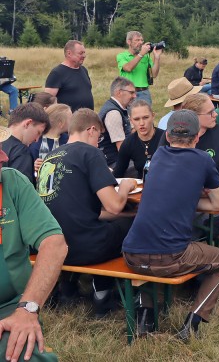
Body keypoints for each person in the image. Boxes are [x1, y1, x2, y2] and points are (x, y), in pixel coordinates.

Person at [122, 110, 219, 340]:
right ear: (197, 137)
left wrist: (184, 197)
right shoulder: (203, 159)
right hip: (171, 256)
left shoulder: (158, 156)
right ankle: (192, 324)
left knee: (153, 253)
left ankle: (145, 318)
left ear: (168, 136)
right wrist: (190, 199)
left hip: (131, 254)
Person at [38, 108, 138, 317]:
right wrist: (124, 188)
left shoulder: (50, 157)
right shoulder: (90, 153)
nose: (98, 143)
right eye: (99, 137)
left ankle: (68, 288)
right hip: (86, 247)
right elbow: (114, 206)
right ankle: (106, 293)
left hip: (51, 246)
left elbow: (80, 211)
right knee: (133, 226)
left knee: (118, 222)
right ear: (91, 129)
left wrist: (126, 214)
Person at [0, 145, 67, 362]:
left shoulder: (12, 183)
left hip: (10, 306)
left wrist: (27, 309)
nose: (4, 157)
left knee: (20, 351)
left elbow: (54, 243)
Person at [164, 94, 219, 238]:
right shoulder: (176, 136)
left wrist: (213, 188)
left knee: (195, 223)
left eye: (214, 110)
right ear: (194, 117)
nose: (216, 114)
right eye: (210, 112)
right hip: (184, 200)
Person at [114, 99, 165, 180]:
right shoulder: (128, 143)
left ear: (153, 116)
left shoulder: (166, 138)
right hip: (142, 185)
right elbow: (118, 173)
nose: (141, 123)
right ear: (131, 120)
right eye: (136, 119)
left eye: (145, 117)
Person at [2, 104, 50, 185]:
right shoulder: (21, 151)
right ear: (27, 123)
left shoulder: (2, 142)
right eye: (38, 132)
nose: (36, 140)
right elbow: (21, 189)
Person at [44, 40, 93, 112]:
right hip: (68, 118)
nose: (84, 56)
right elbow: (47, 101)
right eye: (80, 53)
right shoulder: (57, 73)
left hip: (87, 117)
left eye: (84, 53)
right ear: (69, 53)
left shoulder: (84, 70)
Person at [97, 77, 136, 168]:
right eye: (131, 93)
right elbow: (122, 149)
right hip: (113, 163)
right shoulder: (113, 113)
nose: (135, 96)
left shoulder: (121, 108)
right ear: (119, 93)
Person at [116, 31, 162, 105]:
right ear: (129, 42)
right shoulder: (122, 56)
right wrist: (141, 54)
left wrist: (157, 58)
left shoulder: (146, 57)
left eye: (142, 40)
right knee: (129, 112)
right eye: (137, 40)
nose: (140, 42)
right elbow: (128, 68)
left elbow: (154, 74)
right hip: (128, 93)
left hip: (144, 93)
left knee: (146, 112)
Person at [29, 104, 71, 174]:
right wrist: (34, 166)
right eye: (71, 119)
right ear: (61, 123)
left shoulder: (69, 139)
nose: (73, 122)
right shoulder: (37, 144)